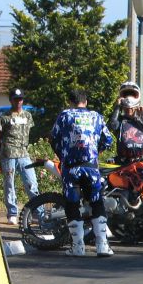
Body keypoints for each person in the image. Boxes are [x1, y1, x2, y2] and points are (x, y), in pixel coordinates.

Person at [50, 89, 113, 257]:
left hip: (70, 168)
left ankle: (78, 247)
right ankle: (102, 245)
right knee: (96, 202)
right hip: (91, 167)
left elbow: (53, 138)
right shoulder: (96, 117)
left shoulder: (65, 116)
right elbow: (108, 140)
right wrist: (95, 152)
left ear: (71, 101)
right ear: (86, 101)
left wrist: (62, 155)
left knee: (72, 205)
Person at [0, 88, 40, 225]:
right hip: (8, 154)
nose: (19, 102)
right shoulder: (4, 117)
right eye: (16, 99)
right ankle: (12, 213)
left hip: (24, 154)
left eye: (20, 99)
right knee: (9, 184)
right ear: (11, 100)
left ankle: (38, 212)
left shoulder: (28, 116)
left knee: (31, 183)